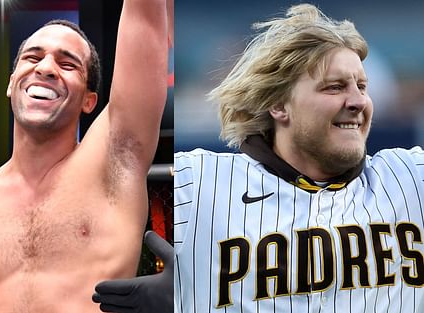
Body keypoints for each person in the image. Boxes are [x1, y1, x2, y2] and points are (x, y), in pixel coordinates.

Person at [174, 3, 424, 313]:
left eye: (362, 86)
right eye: (335, 87)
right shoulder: (198, 186)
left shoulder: (410, 178)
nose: (359, 101)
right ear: (279, 105)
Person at [0, 0, 169, 312]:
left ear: (88, 100)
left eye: (67, 64)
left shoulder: (113, 166)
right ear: (10, 83)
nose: (45, 68)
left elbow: (146, 18)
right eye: (32, 57)